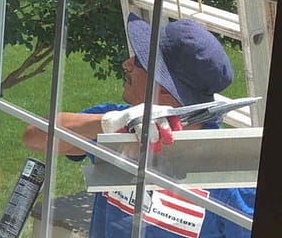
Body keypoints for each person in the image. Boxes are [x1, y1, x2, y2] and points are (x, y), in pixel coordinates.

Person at [22, 14, 256, 238]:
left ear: (164, 88)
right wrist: (107, 123)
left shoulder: (227, 174)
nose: (127, 63)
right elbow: (33, 136)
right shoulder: (120, 123)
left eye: (140, 61)